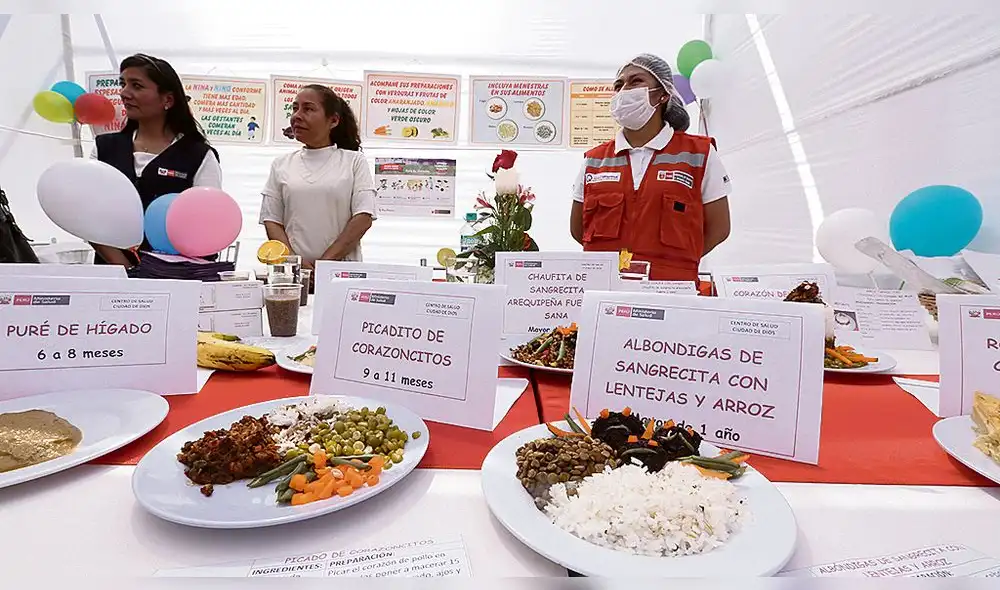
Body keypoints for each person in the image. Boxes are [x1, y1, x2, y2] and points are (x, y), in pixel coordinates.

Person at [569, 53, 731, 282]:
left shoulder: (700, 154)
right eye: (618, 85)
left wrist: (676, 263)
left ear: (663, 94)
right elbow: (579, 230)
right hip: (605, 291)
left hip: (671, 292)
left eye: (636, 81)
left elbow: (719, 228)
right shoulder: (594, 160)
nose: (624, 89)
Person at [90, 53, 221, 267]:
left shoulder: (198, 155)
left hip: (174, 277)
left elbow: (207, 223)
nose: (124, 93)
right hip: (113, 276)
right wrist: (127, 269)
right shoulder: (104, 148)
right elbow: (88, 214)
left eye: (137, 86)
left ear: (167, 99)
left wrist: (156, 273)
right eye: (122, 84)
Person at [259, 85, 375, 270]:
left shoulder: (354, 161)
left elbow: (363, 217)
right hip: (292, 276)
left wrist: (326, 264)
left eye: (308, 109)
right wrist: (295, 263)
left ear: (333, 120)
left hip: (341, 273)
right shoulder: (281, 164)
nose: (297, 115)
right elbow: (272, 220)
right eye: (295, 108)